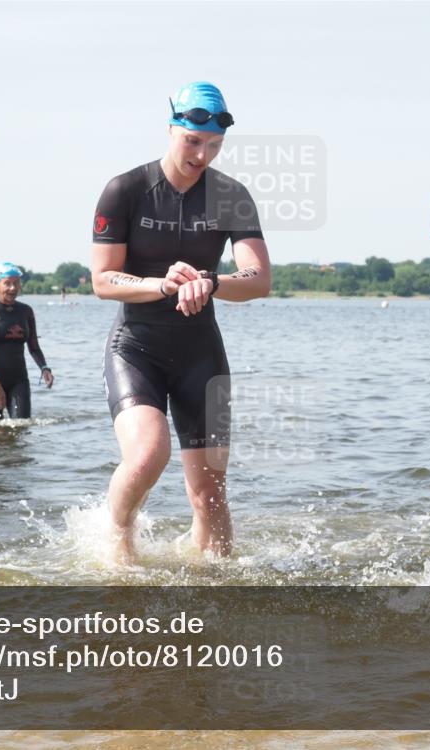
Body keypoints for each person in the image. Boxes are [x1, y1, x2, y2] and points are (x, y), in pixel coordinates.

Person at [91, 81, 271, 564]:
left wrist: (211, 281)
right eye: (193, 141)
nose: (202, 155)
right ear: (172, 129)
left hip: (199, 352)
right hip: (136, 348)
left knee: (209, 493)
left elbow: (258, 279)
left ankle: (220, 591)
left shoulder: (231, 196)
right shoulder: (125, 190)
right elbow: (103, 280)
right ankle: (117, 538)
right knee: (147, 457)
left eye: (214, 145)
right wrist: (161, 285)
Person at [0, 262, 54, 419]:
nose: (13, 288)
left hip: (19, 380)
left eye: (16, 283)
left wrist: (44, 368)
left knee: (22, 427)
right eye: (7, 283)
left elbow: (34, 346)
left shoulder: (26, 311)